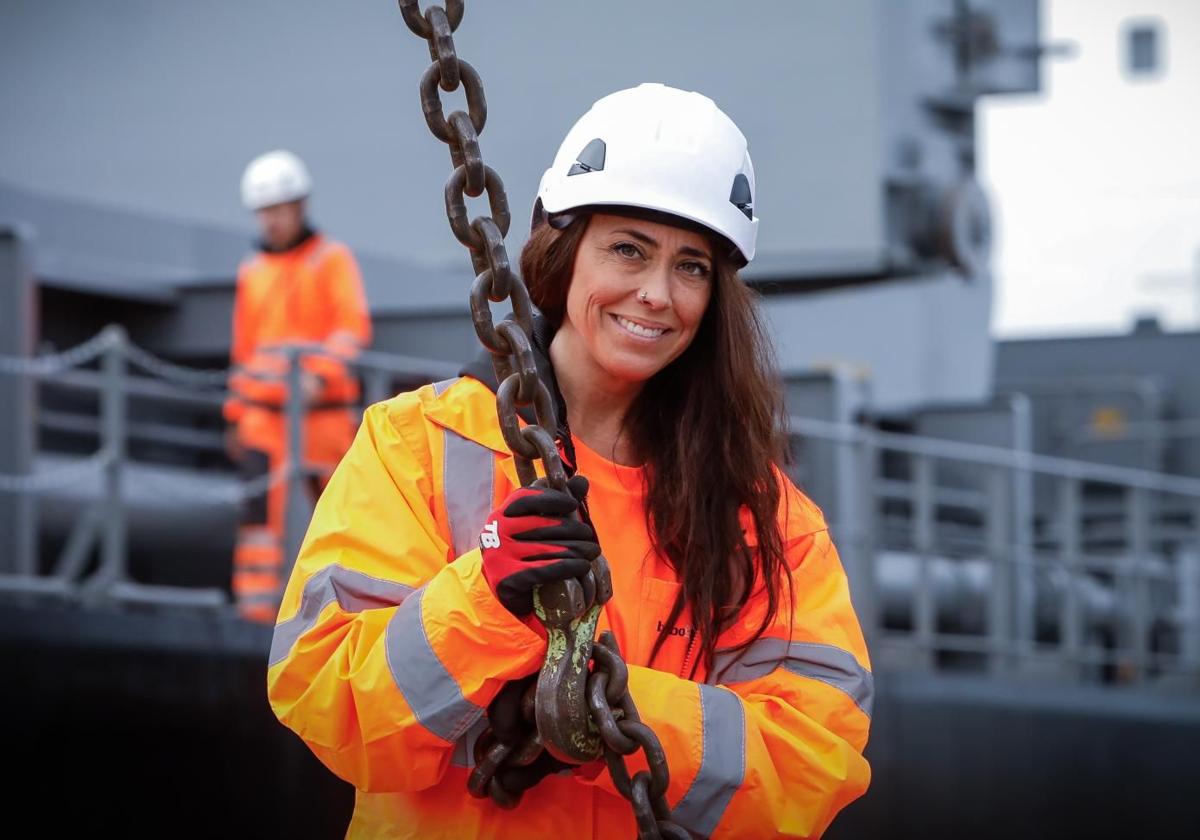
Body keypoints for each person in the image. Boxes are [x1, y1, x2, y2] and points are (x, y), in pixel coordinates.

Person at [268, 84, 871, 837]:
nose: (656, 294)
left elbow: (815, 756)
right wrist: (483, 599)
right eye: (628, 249)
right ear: (564, 252)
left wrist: (598, 716)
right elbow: (323, 697)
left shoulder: (768, 517)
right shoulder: (419, 443)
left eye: (692, 267)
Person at [225, 149, 371, 622]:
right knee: (259, 529)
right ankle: (257, 618)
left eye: (278, 209)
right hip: (262, 423)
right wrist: (234, 415)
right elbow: (243, 349)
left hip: (321, 419)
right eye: (263, 211)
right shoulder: (252, 271)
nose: (270, 221)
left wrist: (317, 376)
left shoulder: (331, 261)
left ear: (299, 205)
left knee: (335, 520)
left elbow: (352, 329)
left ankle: (333, 617)